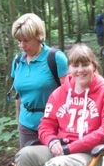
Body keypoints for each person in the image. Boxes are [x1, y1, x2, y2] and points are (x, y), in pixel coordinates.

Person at [11, 13, 68, 148]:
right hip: (26, 125)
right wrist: (18, 119)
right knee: (28, 164)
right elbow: (18, 95)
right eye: (19, 41)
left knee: (52, 165)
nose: (22, 45)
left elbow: (69, 94)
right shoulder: (18, 61)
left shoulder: (56, 58)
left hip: (54, 125)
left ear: (38, 37)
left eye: (26, 40)